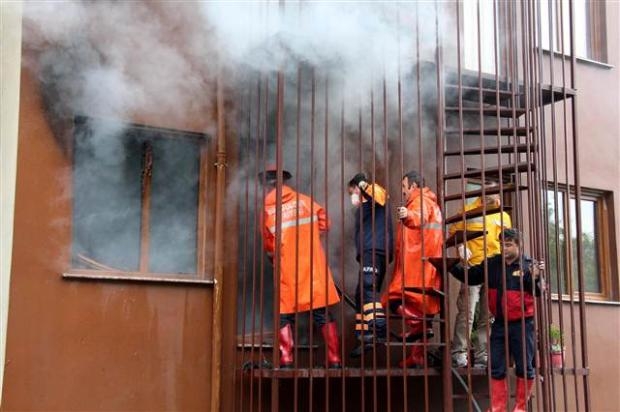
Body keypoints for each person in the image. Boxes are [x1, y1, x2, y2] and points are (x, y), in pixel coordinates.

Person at [448, 228, 544, 412]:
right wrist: (453, 265)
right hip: (499, 323)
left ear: (519, 245)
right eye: (502, 245)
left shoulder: (528, 265)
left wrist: (536, 278)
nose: (504, 248)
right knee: (496, 366)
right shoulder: (492, 264)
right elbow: (471, 277)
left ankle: (520, 408)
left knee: (524, 366)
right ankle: (497, 408)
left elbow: (538, 291)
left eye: (508, 245)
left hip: (524, 324)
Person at [260, 165, 342, 369]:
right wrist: (310, 237)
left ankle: (286, 359)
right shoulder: (306, 202)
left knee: (284, 313)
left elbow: (269, 244)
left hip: (288, 267)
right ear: (284, 182)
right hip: (313, 265)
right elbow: (325, 222)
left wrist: (276, 257)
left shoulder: (268, 209)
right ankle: (334, 359)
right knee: (321, 312)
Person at [382, 171, 443, 368]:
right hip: (424, 264)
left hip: (417, 265)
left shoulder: (420, 200)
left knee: (392, 299)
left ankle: (419, 327)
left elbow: (419, 218)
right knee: (423, 308)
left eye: (404, 187)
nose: (403, 191)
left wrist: (407, 215)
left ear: (414, 186)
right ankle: (417, 355)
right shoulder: (429, 201)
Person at [449, 193, 512, 368]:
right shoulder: (468, 210)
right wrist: (461, 247)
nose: (498, 197)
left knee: (487, 314)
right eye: (493, 194)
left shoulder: (503, 215)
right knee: (467, 312)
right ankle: (459, 353)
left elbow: (507, 242)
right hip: (472, 267)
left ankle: (482, 355)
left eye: (499, 194)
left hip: (494, 269)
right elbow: (454, 232)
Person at [347, 173, 394, 348]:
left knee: (368, 287)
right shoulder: (365, 208)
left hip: (374, 250)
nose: (351, 197)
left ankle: (379, 328)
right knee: (361, 294)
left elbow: (381, 196)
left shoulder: (375, 194)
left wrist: (362, 183)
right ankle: (365, 334)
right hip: (372, 251)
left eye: (351, 192)